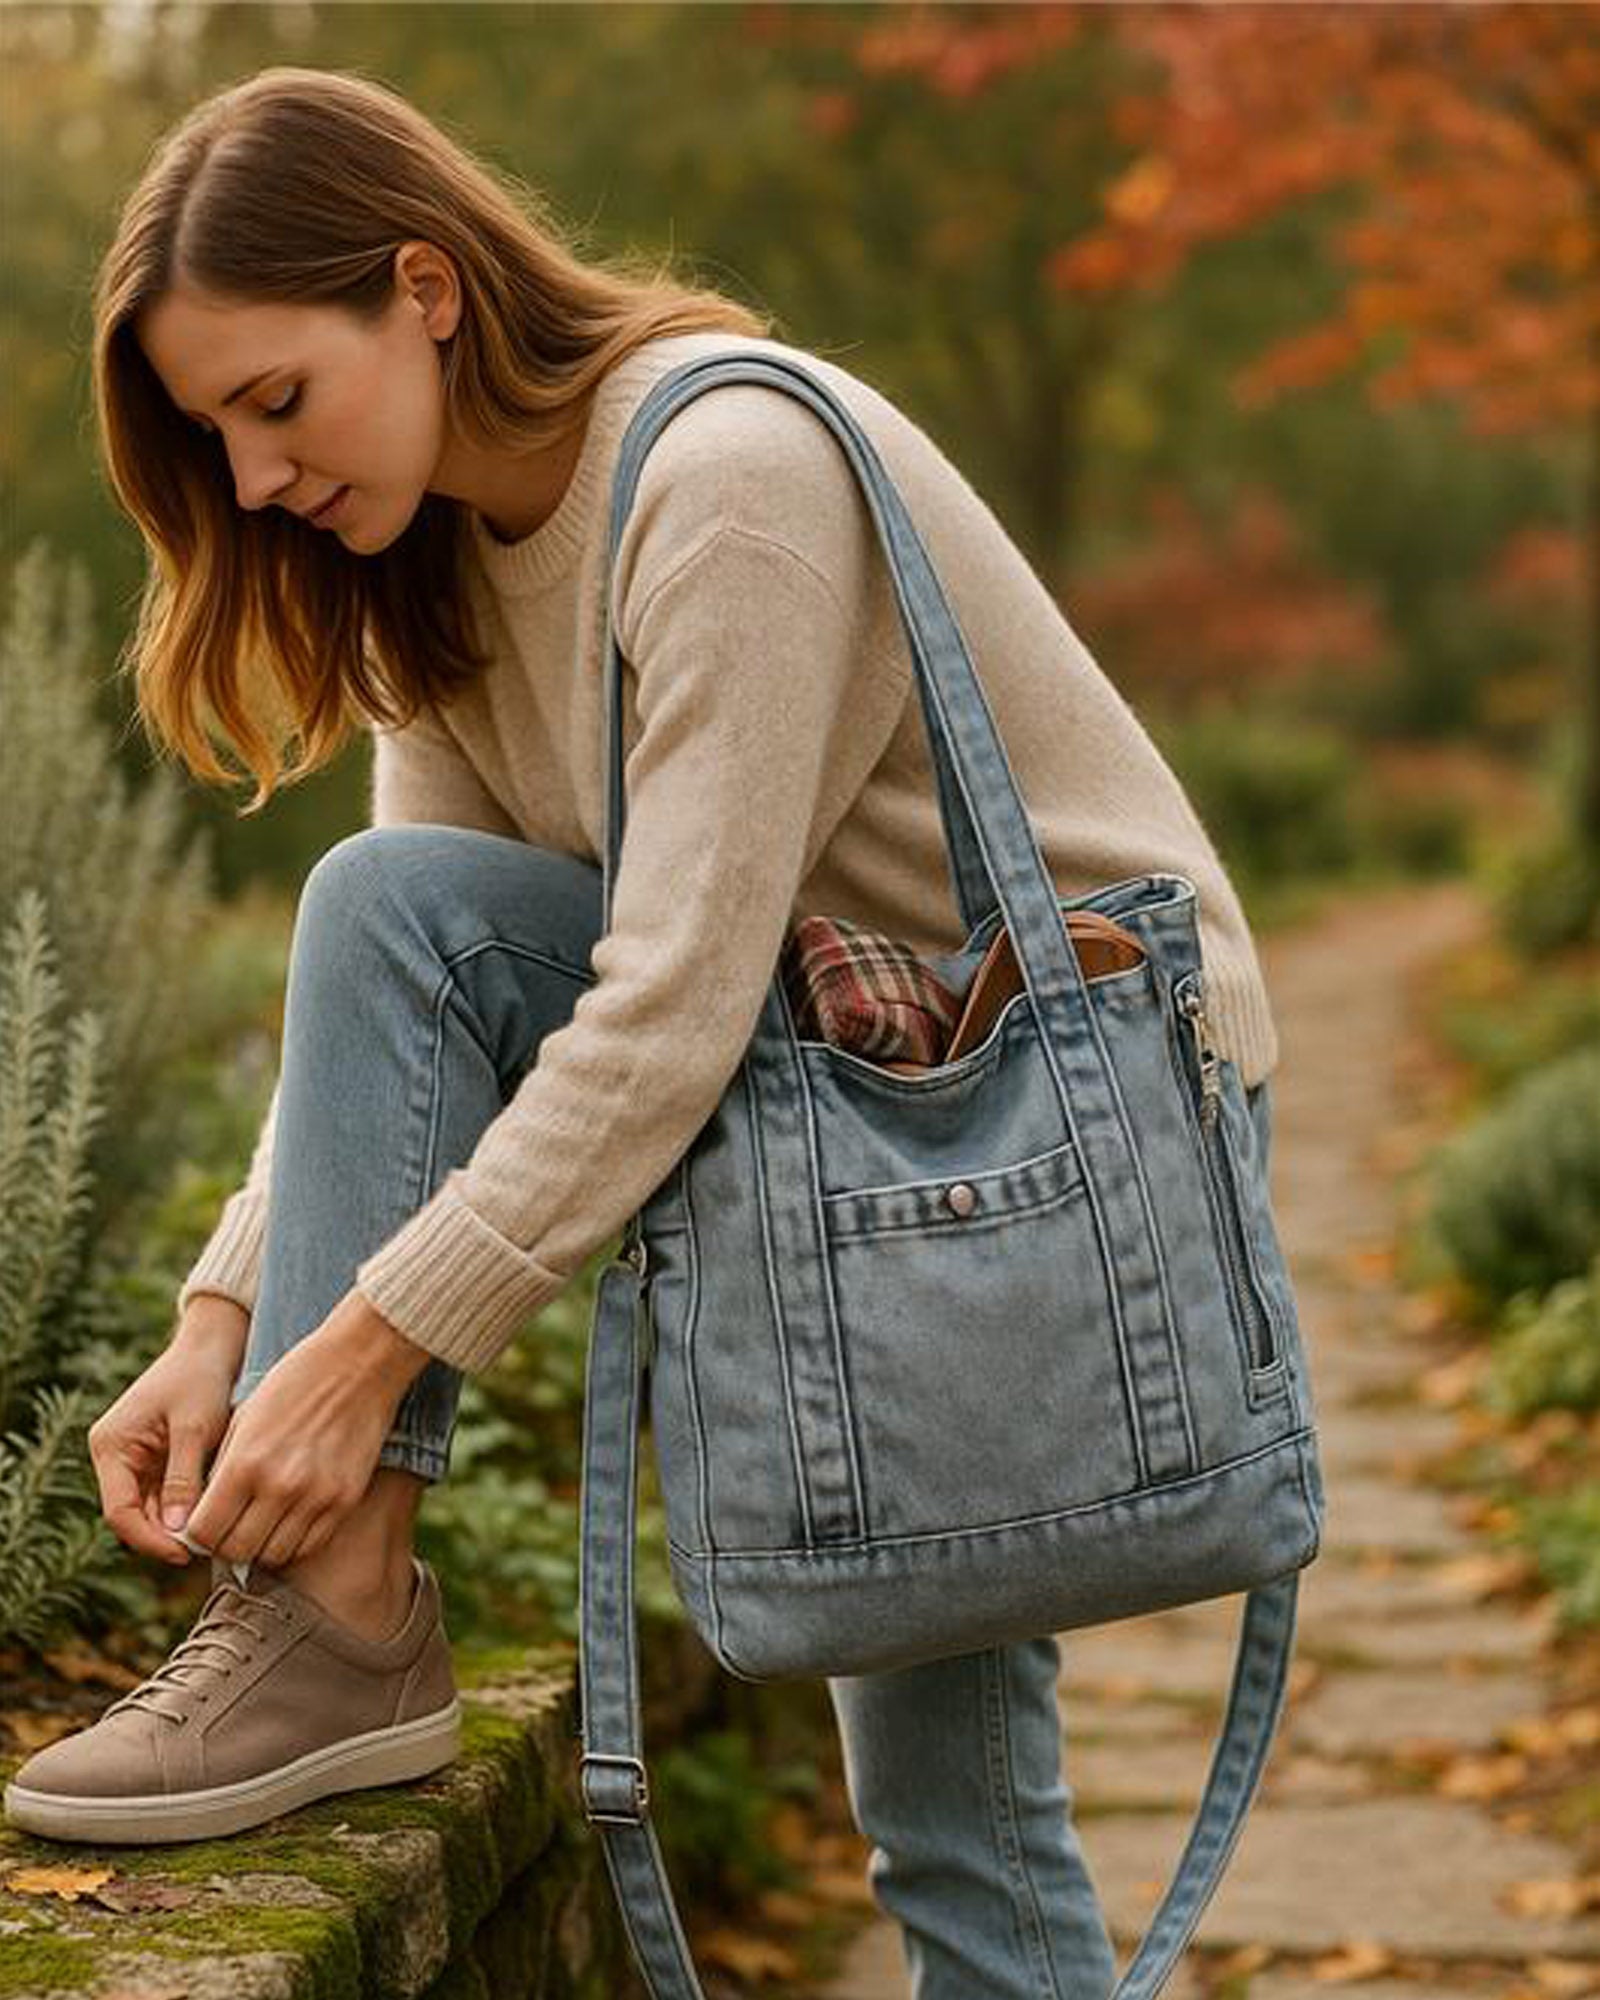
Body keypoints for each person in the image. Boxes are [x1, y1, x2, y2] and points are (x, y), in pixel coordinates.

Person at [2, 64, 1282, 1997]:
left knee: (950, 1812)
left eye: (277, 400)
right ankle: (335, 1611)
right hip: (835, 1078)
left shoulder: (725, 482)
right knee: (385, 900)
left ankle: (340, 1609)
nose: (254, 481)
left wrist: (359, 1359)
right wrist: (225, 1325)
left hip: (1030, 1101)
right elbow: (407, 997)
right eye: (216, 434)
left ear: (425, 288)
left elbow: (668, 1008)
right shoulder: (432, 554)